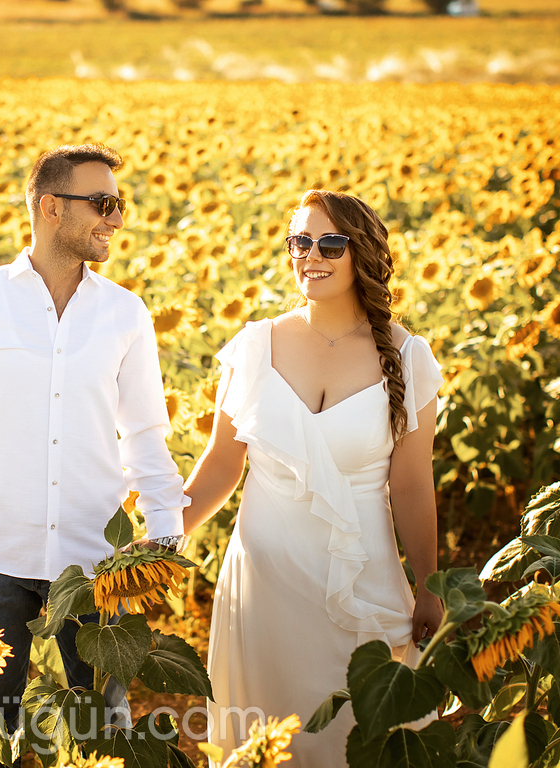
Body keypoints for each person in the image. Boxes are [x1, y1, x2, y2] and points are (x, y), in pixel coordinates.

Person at [0, 144, 188, 748]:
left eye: (119, 205)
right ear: (51, 207)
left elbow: (145, 431)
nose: (117, 219)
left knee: (103, 729)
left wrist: (165, 531)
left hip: (95, 565)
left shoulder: (124, 313)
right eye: (104, 204)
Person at [181, 189, 444, 766]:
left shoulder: (407, 356)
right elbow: (222, 466)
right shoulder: (254, 347)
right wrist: (158, 540)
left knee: (362, 733)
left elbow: (412, 486)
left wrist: (428, 581)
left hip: (360, 586)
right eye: (299, 242)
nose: (311, 255)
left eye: (330, 243)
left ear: (363, 254)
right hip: (263, 592)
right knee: (267, 745)